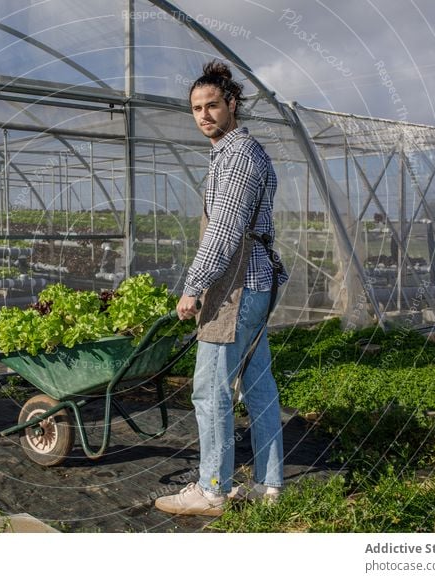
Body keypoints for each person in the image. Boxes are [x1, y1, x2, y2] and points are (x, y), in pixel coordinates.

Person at [154, 61, 288, 517]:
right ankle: (269, 486)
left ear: (231, 104)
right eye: (196, 108)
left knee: (209, 390)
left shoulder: (236, 157)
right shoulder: (242, 154)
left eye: (212, 105)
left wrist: (193, 286)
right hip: (253, 285)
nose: (204, 115)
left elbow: (225, 232)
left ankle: (212, 489)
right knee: (258, 386)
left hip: (235, 289)